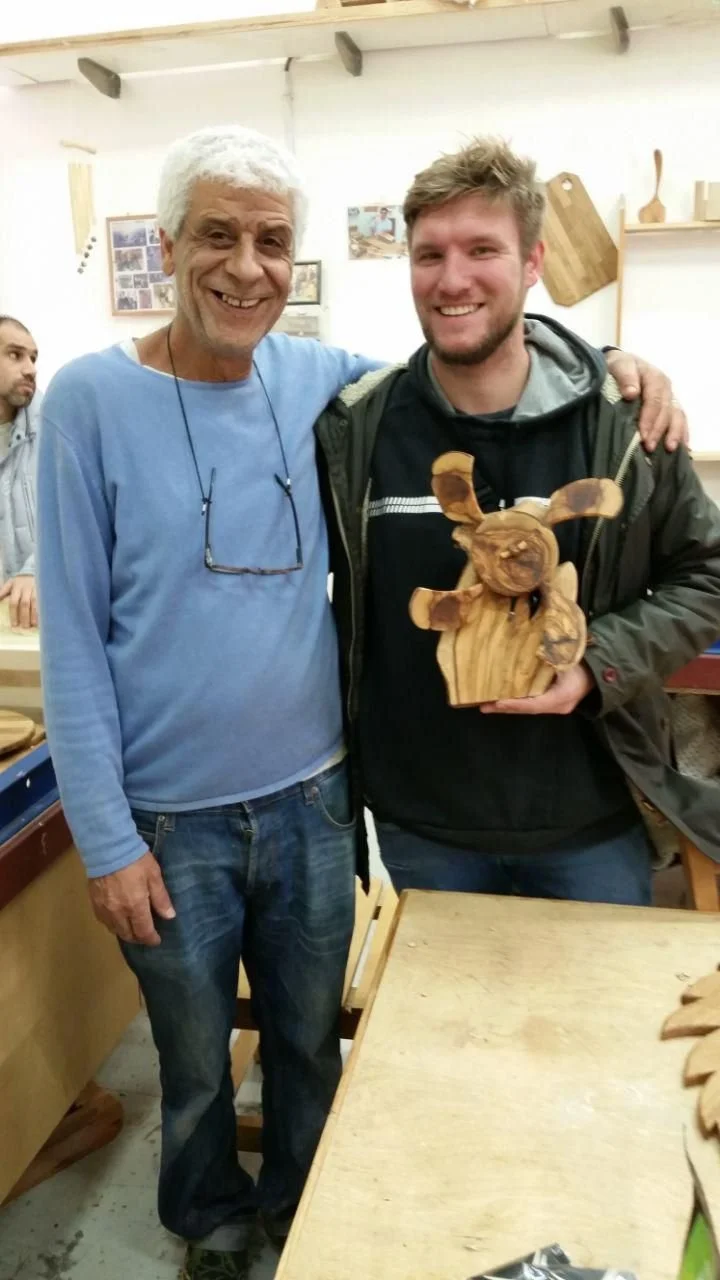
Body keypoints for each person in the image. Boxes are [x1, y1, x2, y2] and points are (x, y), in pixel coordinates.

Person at [37, 125, 685, 1279]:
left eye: (272, 241)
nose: (247, 267)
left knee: (310, 1040)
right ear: (168, 246)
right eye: (217, 236)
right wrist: (105, 836)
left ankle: (306, 1208)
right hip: (168, 821)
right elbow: (75, 639)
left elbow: (483, 351)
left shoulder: (320, 382)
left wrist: (622, 363)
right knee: (192, 1060)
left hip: (318, 802)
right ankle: (208, 1219)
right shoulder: (92, 400)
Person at [314, 137, 720, 908]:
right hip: (421, 823)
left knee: (593, 993)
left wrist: (595, 662)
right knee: (445, 992)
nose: (452, 279)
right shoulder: (355, 429)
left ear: (533, 262)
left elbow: (709, 574)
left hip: (591, 816)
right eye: (429, 254)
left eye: (482, 250)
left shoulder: (625, 425)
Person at [0, 315, 40, 629]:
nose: (30, 369)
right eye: (15, 355)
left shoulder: (58, 432)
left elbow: (85, 522)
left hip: (40, 621)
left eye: (33, 358)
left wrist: (36, 569)